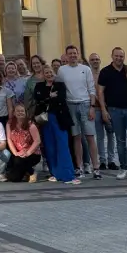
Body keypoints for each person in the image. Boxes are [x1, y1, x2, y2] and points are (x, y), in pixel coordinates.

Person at [97, 47, 127, 180]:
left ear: (124, 57)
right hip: (114, 110)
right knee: (120, 141)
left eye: (121, 56)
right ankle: (123, 168)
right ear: (112, 56)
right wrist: (103, 110)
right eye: (116, 56)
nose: (119, 58)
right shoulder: (105, 71)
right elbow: (100, 92)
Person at [54, 45, 101, 179]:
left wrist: (92, 107)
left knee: (90, 136)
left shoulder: (85, 69)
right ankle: (79, 167)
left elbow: (91, 89)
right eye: (70, 54)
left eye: (75, 53)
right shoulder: (62, 70)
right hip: (71, 105)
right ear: (66, 56)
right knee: (76, 137)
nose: (73, 56)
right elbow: (59, 87)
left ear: (78, 54)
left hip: (85, 104)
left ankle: (96, 167)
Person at [33, 64, 80, 185]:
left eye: (50, 73)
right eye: (46, 73)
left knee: (63, 146)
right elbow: (38, 100)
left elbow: (61, 99)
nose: (49, 75)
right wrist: (49, 97)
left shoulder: (60, 85)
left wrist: (46, 99)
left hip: (59, 119)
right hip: (46, 120)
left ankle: (68, 175)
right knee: (50, 147)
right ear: (43, 75)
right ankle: (55, 173)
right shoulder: (39, 86)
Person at [89, 52, 118, 170]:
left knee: (111, 134)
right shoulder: (88, 75)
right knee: (100, 136)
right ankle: (102, 160)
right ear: (90, 62)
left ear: (100, 61)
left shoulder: (105, 73)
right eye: (93, 60)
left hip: (108, 108)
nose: (95, 61)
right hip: (95, 109)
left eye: (97, 59)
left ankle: (111, 160)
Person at [6, 104, 41, 183]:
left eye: (22, 111)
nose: (20, 112)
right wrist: (15, 153)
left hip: (32, 153)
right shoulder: (9, 124)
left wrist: (27, 153)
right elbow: (9, 139)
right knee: (14, 179)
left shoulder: (31, 125)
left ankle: (32, 172)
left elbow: (37, 141)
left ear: (26, 113)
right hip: (18, 153)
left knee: (19, 161)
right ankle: (27, 172)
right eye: (17, 111)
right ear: (14, 113)